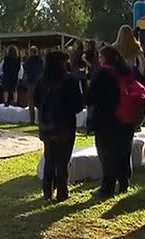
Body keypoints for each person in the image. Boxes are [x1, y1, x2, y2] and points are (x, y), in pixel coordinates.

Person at [33, 51, 83, 202]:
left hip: (47, 126)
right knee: (63, 160)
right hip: (65, 125)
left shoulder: (41, 80)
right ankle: (62, 192)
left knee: (49, 158)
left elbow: (36, 102)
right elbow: (78, 105)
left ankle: (47, 192)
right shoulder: (69, 80)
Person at [87, 46, 136, 198]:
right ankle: (124, 182)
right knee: (123, 151)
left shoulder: (101, 73)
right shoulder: (127, 71)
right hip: (126, 117)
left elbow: (91, 97)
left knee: (106, 154)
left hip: (106, 119)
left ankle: (107, 187)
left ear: (104, 58)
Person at [24, 46, 44, 124]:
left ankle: (31, 120)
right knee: (39, 101)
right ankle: (39, 119)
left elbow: (26, 69)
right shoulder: (41, 60)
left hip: (30, 82)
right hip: (39, 82)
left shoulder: (28, 61)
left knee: (31, 102)